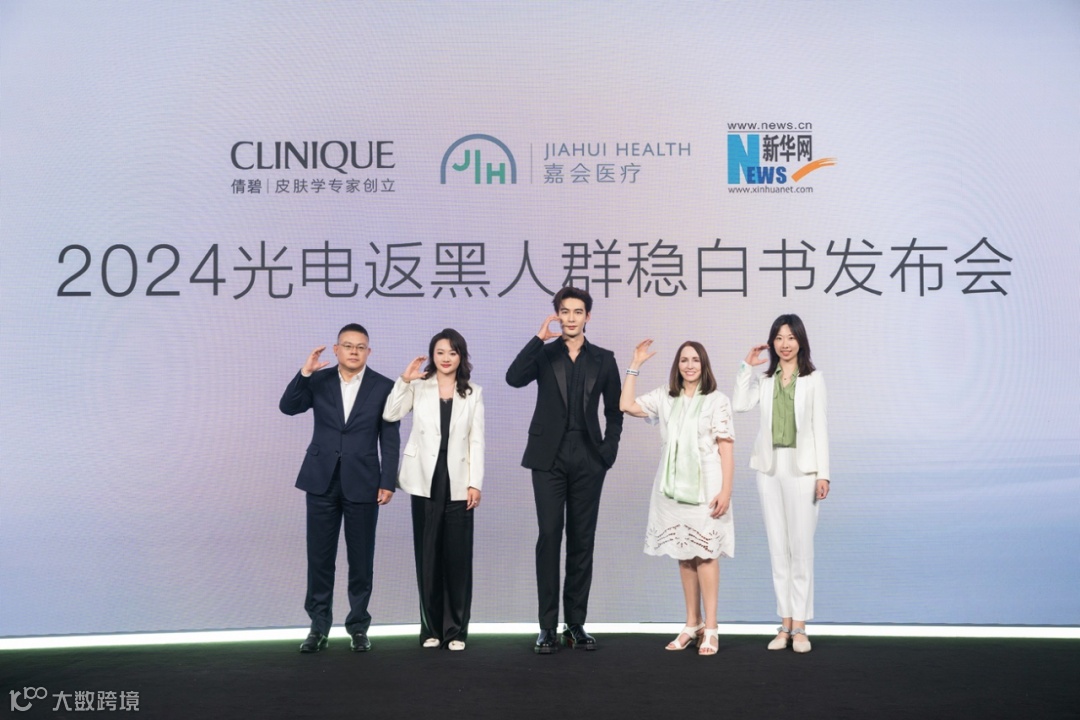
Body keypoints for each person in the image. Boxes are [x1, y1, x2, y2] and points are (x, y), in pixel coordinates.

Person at [506, 286, 624, 653]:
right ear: (557, 315)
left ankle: (575, 624)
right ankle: (546, 627)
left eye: (577, 312)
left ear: (588, 317)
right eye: (565, 311)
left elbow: (614, 411)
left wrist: (607, 452)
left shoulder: (604, 359)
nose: (571, 318)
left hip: (589, 457)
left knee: (581, 540)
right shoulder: (544, 354)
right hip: (548, 458)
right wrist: (537, 339)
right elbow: (513, 378)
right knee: (549, 537)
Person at [279, 323, 400, 654]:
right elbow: (288, 406)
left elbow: (390, 438)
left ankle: (358, 628)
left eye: (360, 347)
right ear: (336, 350)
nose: (354, 351)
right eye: (347, 345)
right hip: (321, 479)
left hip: (364, 481)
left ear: (368, 352)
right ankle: (318, 627)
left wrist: (388, 480)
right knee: (320, 558)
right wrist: (305, 373)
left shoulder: (384, 386)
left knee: (361, 559)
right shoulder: (319, 380)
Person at [620, 340, 735, 656]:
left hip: (706, 487)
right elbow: (626, 405)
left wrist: (726, 491)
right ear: (677, 365)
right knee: (684, 554)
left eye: (695, 359)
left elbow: (726, 448)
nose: (689, 365)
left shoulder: (717, 400)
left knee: (706, 554)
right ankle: (691, 623)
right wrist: (635, 365)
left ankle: (711, 627)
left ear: (704, 364)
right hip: (670, 487)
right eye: (684, 360)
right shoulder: (665, 396)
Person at [382, 329, 485, 652]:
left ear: (461, 356)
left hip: (459, 480)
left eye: (452, 352)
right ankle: (431, 628)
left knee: (458, 557)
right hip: (424, 479)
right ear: (432, 355)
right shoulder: (419, 385)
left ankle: (456, 631)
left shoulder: (474, 393)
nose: (445, 358)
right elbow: (390, 413)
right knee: (428, 555)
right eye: (440, 352)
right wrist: (404, 380)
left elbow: (477, 440)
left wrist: (475, 482)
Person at [733, 314, 830, 654]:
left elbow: (820, 427)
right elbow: (739, 405)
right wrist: (746, 368)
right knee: (778, 548)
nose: (784, 344)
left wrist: (823, 473)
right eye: (778, 338)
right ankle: (785, 624)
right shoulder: (765, 381)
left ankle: (801, 625)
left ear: (800, 341)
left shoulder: (813, 379)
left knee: (800, 549)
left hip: (803, 470)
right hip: (769, 468)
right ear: (772, 343)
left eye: (790, 337)